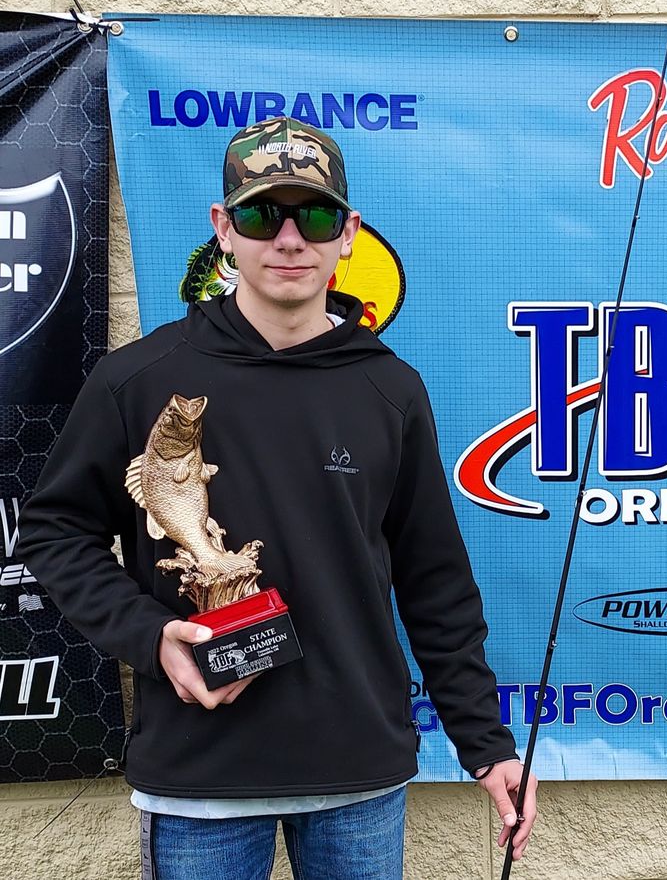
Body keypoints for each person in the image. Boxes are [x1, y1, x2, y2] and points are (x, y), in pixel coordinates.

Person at [18, 117, 537, 879]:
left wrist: (486, 745)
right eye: (263, 215)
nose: (289, 239)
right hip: (199, 776)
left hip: (358, 774)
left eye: (315, 217)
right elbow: (55, 532)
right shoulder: (137, 380)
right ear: (224, 229)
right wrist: (151, 636)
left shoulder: (390, 389)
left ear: (348, 234)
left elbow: (435, 581)